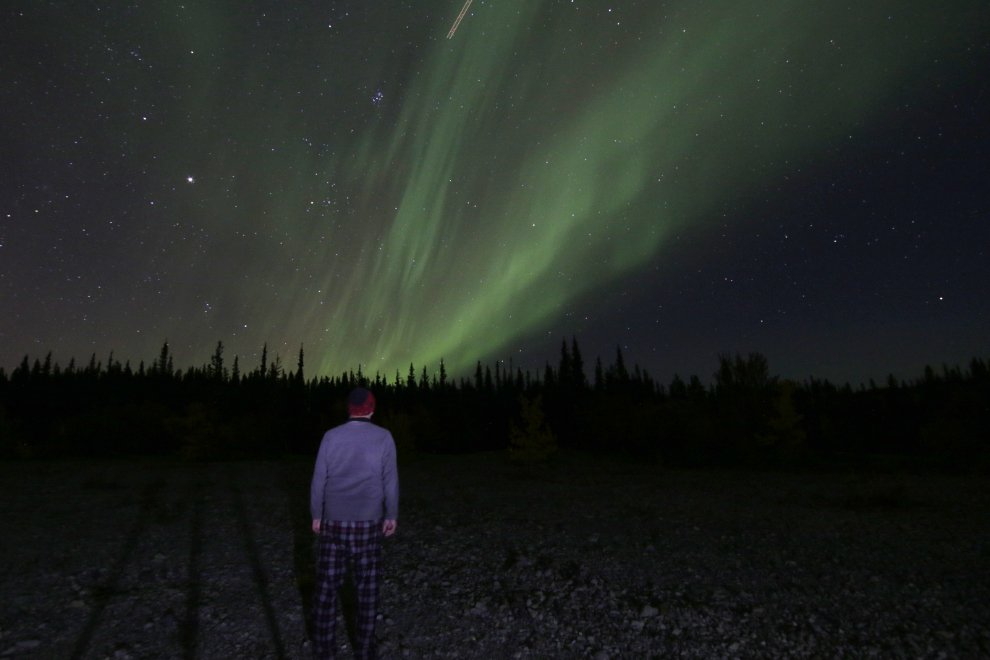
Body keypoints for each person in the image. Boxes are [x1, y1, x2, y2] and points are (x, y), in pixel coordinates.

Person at [311, 387, 399, 660]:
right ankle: (365, 651)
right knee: (367, 589)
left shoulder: (331, 436)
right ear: (372, 409)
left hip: (334, 521)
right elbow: (390, 481)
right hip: (368, 522)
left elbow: (318, 480)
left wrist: (316, 514)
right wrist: (391, 514)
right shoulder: (384, 437)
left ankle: (324, 650)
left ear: (349, 408)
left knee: (326, 588)